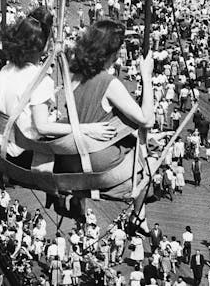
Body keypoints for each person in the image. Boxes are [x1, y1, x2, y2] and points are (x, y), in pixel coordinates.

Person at [0, 8, 116, 172]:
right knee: (85, 154)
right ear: (43, 44)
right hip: (22, 155)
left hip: (1, 146)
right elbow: (43, 127)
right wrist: (88, 129)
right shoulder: (39, 79)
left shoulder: (6, 70)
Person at [54, 20, 155, 215]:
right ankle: (139, 215)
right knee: (148, 157)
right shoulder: (109, 83)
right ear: (113, 53)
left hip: (72, 155)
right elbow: (147, 120)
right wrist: (147, 76)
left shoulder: (74, 75)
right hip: (97, 159)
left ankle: (77, 200)